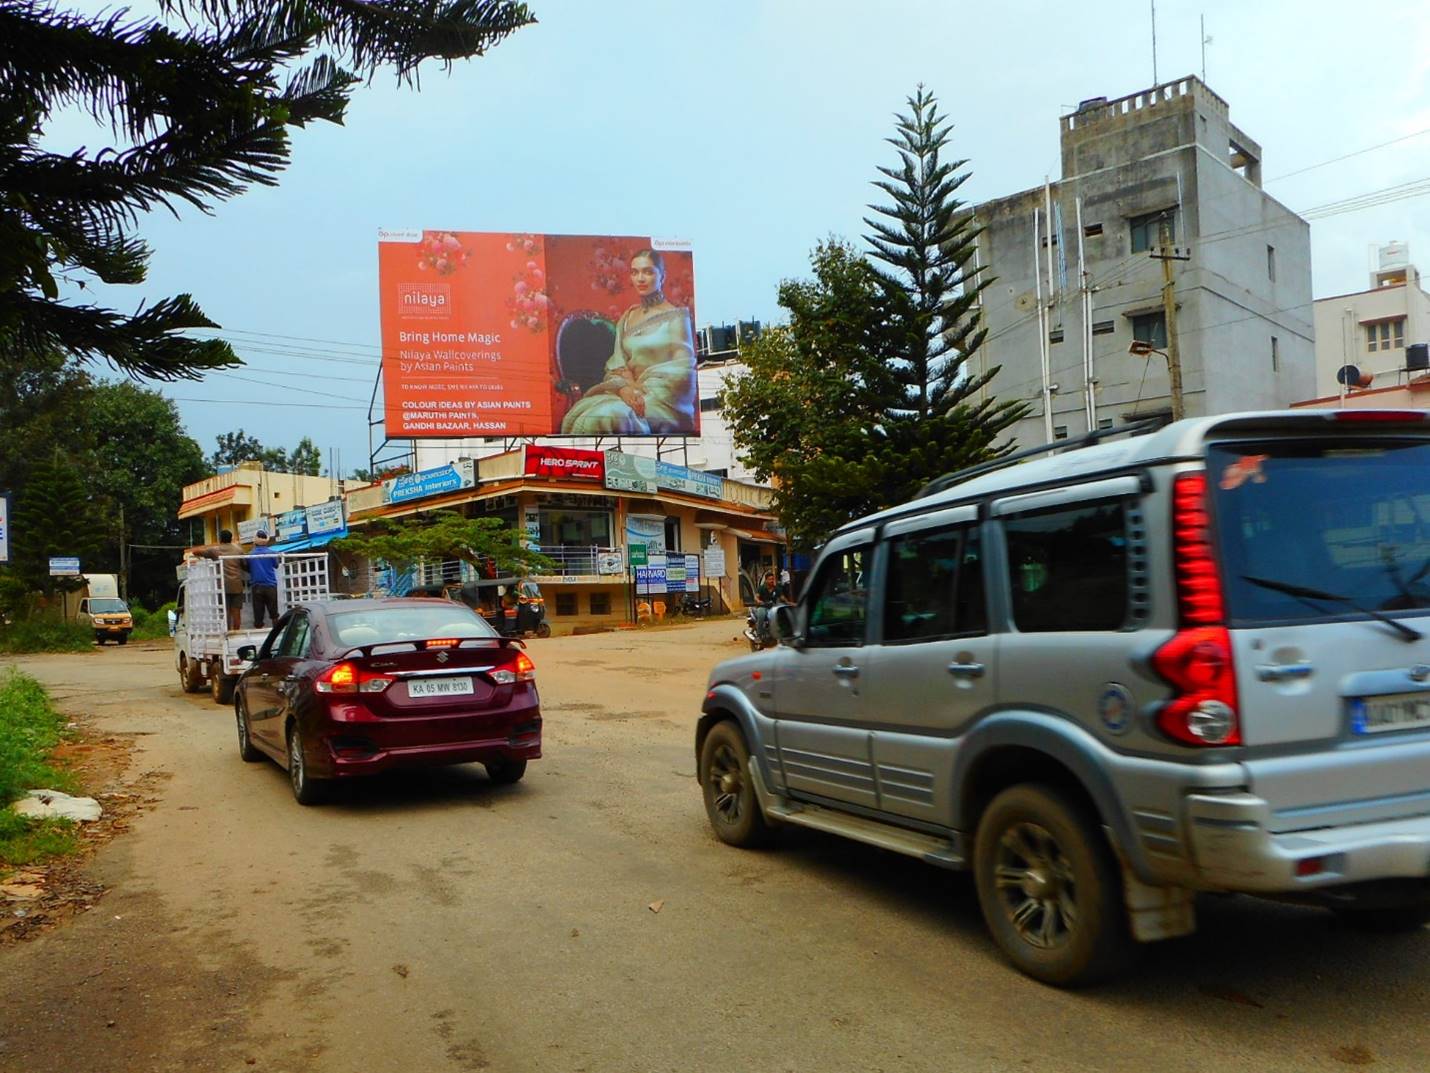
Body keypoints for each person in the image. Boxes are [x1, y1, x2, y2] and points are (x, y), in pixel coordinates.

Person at [559, 248, 696, 435]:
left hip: (664, 404)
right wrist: (625, 389)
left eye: (648, 272)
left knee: (607, 417)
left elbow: (683, 375)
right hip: (627, 395)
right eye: (635, 272)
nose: (640, 278)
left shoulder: (678, 317)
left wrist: (642, 393)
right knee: (584, 416)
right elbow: (616, 366)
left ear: (662, 276)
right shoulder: (628, 317)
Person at [199, 529, 246, 630]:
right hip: (237, 585)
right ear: (231, 538)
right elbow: (245, 564)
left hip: (223, 586)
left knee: (226, 611)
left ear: (220, 539)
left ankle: (227, 632)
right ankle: (236, 631)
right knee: (236, 611)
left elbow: (197, 552)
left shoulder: (215, 550)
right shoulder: (238, 550)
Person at [248, 530, 281, 630]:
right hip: (270, 585)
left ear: (255, 541)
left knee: (258, 613)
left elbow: (247, 567)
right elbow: (276, 565)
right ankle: (276, 632)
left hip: (256, 585)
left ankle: (259, 632)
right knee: (274, 613)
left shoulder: (250, 554)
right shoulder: (271, 553)